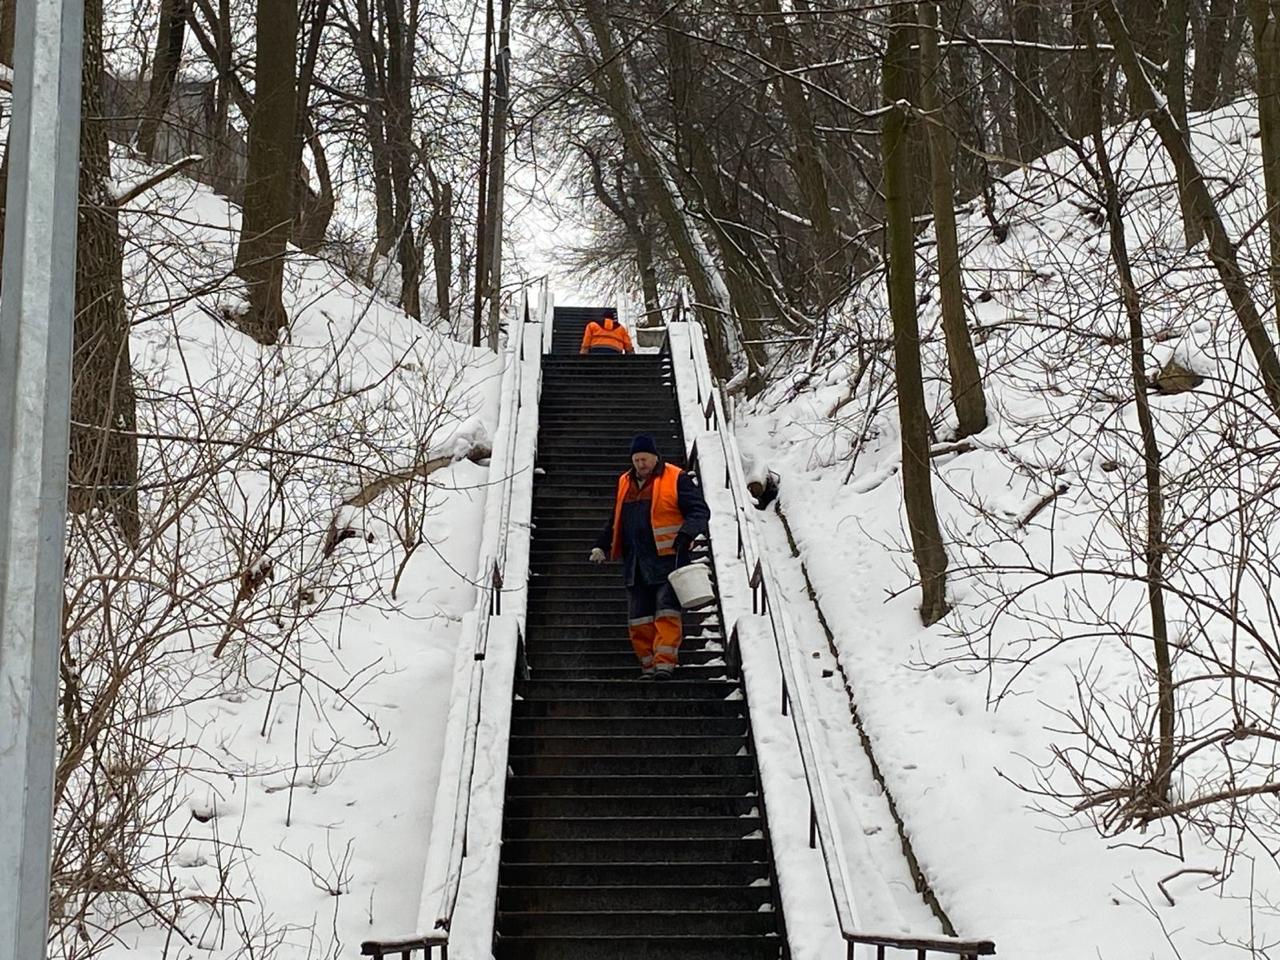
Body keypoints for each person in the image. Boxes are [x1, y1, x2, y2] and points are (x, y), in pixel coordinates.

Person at [590, 435, 711, 679]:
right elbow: (616, 518)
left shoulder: (676, 477)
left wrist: (686, 534)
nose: (640, 464)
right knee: (639, 619)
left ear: (655, 457)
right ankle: (647, 665)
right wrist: (601, 545)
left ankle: (664, 663)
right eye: (636, 460)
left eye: (644, 459)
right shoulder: (625, 481)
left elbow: (699, 510)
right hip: (635, 563)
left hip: (668, 559)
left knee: (667, 613)